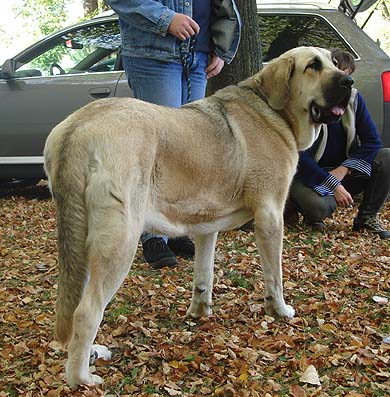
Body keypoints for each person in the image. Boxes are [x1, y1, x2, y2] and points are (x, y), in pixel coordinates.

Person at [106, 0, 241, 267]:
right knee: (159, 150)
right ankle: (152, 235)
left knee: (186, 152)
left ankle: (175, 228)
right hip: (155, 54)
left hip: (199, 55)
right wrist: (165, 19)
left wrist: (221, 47)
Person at [288, 48, 390, 239]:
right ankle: (298, 208)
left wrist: (344, 169)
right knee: (318, 208)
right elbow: (300, 155)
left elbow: (372, 141)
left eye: (348, 77)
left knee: (386, 157)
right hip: (310, 174)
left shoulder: (354, 100)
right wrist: (332, 184)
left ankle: (366, 219)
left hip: (345, 170)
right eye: (338, 74)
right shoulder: (305, 100)